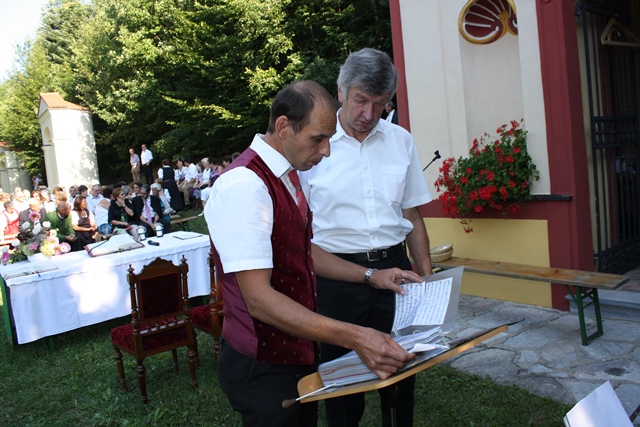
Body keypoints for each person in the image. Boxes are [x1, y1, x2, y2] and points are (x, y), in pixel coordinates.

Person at [205, 80, 421, 426]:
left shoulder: (288, 175)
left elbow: (303, 251)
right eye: (318, 139)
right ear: (283, 127)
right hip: (262, 364)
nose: (327, 151)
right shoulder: (244, 185)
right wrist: (357, 336)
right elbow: (259, 300)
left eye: (329, 138)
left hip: (293, 353)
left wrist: (371, 276)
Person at [299, 48, 433, 427]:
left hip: (397, 273)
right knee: (343, 385)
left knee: (403, 372)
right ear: (341, 92)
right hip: (336, 278)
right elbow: (299, 229)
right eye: (361, 100)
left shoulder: (401, 140)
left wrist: (427, 279)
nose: (370, 114)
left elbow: (412, 215)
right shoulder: (314, 145)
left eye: (380, 103)